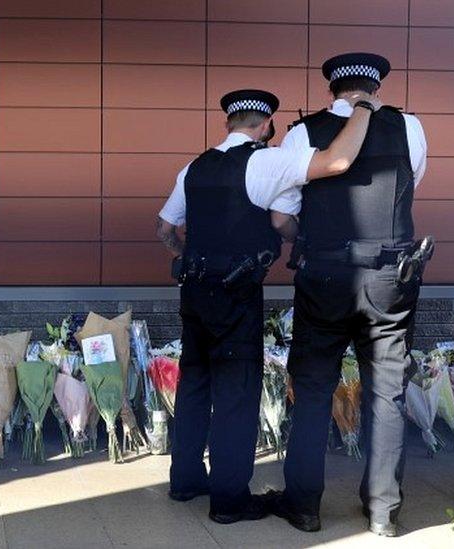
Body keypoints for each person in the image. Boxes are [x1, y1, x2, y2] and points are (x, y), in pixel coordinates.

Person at [156, 89, 377, 525]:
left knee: (196, 384)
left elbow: (165, 228)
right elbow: (336, 162)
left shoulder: (194, 167)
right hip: (236, 294)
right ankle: (229, 500)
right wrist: (365, 107)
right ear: (267, 124)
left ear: (228, 123)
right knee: (236, 392)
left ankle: (185, 482)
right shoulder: (266, 160)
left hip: (194, 291)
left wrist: (191, 254)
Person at [268, 52, 429, 538]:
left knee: (314, 389)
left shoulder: (302, 133)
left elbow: (280, 218)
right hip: (390, 280)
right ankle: (383, 511)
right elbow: (409, 186)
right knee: (387, 391)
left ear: (332, 88)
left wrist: (316, 236)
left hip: (325, 277)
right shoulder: (410, 127)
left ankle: (303, 507)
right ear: (376, 88)